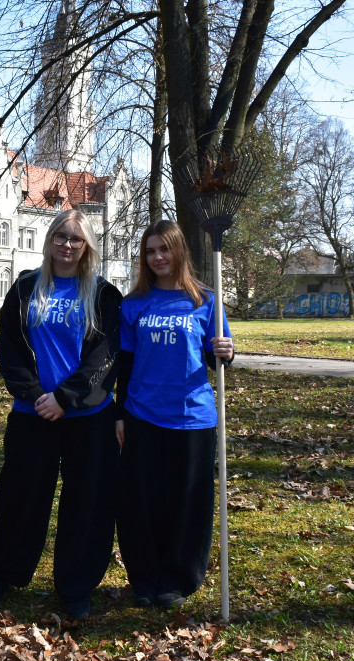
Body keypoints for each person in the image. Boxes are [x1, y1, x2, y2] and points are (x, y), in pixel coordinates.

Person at [0, 209, 122, 619]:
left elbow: (106, 356)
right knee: (20, 498)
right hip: (32, 414)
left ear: (87, 245)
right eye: (61, 236)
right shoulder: (24, 288)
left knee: (87, 502)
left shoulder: (104, 295)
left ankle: (75, 584)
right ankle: (4, 572)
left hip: (88, 418)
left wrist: (67, 397)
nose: (67, 245)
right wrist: (38, 395)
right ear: (49, 239)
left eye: (76, 239)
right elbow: (10, 349)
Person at [114, 219, 234, 609]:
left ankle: (178, 578)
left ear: (178, 251)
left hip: (193, 416)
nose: (157, 257)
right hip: (142, 414)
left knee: (188, 500)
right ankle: (145, 578)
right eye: (150, 251)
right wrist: (119, 414)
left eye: (164, 249)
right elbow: (125, 365)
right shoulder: (133, 305)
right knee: (141, 500)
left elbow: (220, 358)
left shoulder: (205, 301)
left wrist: (227, 353)